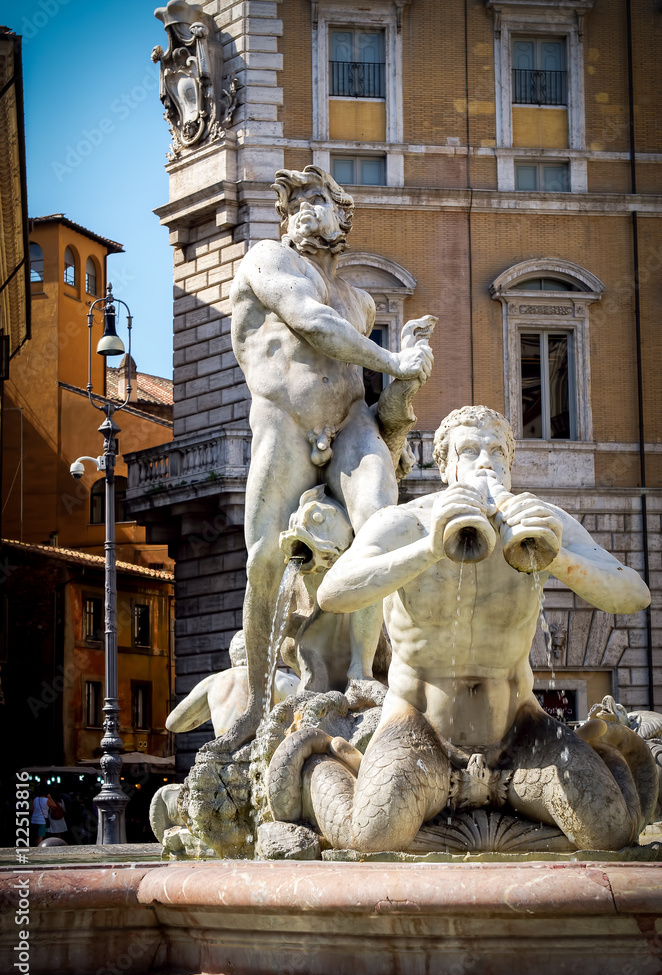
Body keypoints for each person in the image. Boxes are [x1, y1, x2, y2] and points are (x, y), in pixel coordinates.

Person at [277, 405, 654, 852]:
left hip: (519, 731)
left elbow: (634, 594)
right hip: (421, 731)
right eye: (470, 450)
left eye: (497, 452)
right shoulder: (408, 522)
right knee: (373, 837)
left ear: (510, 467)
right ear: (447, 465)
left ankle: (599, 761)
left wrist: (556, 555)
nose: (484, 463)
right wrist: (431, 548)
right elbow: (334, 593)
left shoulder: (541, 519)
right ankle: (324, 765)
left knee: (610, 832)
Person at [214, 165, 433, 751]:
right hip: (285, 420)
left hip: (351, 422)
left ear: (344, 218)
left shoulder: (362, 302)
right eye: (296, 205)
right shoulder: (267, 260)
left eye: (319, 200)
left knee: (381, 528)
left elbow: (378, 396)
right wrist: (394, 361)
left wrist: (407, 375)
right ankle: (258, 698)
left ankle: (365, 674)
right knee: (263, 557)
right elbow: (313, 324)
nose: (305, 211)